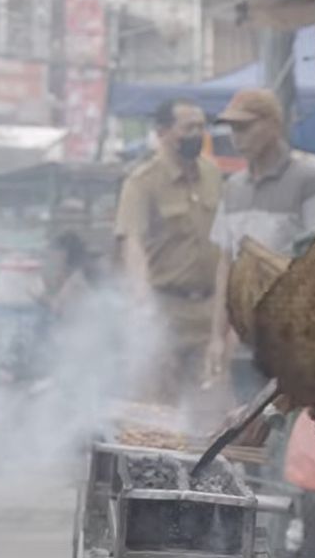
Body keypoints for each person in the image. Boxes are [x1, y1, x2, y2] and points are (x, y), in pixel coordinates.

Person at [204, 88, 315, 400]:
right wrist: (217, 336)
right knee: (248, 425)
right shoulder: (233, 187)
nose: (237, 137)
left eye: (245, 127)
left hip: (297, 338)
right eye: (232, 128)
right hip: (247, 340)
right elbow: (226, 265)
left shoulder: (310, 177)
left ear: (274, 124)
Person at [114, 99, 222, 405]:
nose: (198, 134)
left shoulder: (213, 175)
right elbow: (132, 244)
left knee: (209, 405)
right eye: (189, 128)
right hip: (165, 310)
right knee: (160, 406)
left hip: (208, 312)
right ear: (163, 132)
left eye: (202, 127)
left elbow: (226, 240)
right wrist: (143, 303)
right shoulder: (142, 182)